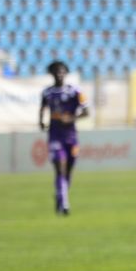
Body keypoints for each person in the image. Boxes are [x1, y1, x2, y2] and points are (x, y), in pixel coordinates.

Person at [38, 60, 89, 216]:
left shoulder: (75, 91)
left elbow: (86, 112)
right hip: (55, 135)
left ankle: (60, 194)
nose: (59, 74)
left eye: (61, 71)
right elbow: (42, 109)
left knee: (68, 171)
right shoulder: (47, 93)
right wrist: (41, 122)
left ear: (66, 73)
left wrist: (71, 118)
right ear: (51, 74)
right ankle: (64, 204)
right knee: (60, 167)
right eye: (56, 71)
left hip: (71, 136)